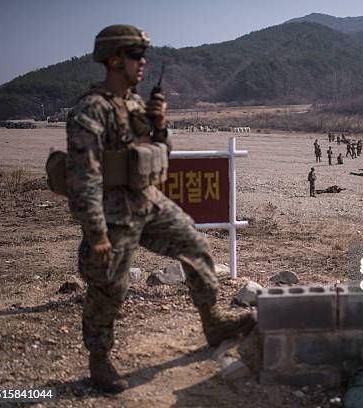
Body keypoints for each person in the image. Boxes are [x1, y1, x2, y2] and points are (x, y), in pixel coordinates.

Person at [66, 25, 254, 394]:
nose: (142, 63)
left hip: (147, 201)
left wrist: (160, 125)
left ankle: (212, 321)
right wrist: (97, 233)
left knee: (196, 246)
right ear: (114, 59)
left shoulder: (136, 103)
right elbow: (83, 179)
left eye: (143, 56)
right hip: (111, 210)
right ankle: (100, 359)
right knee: (109, 286)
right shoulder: (90, 110)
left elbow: (162, 155)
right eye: (136, 56)